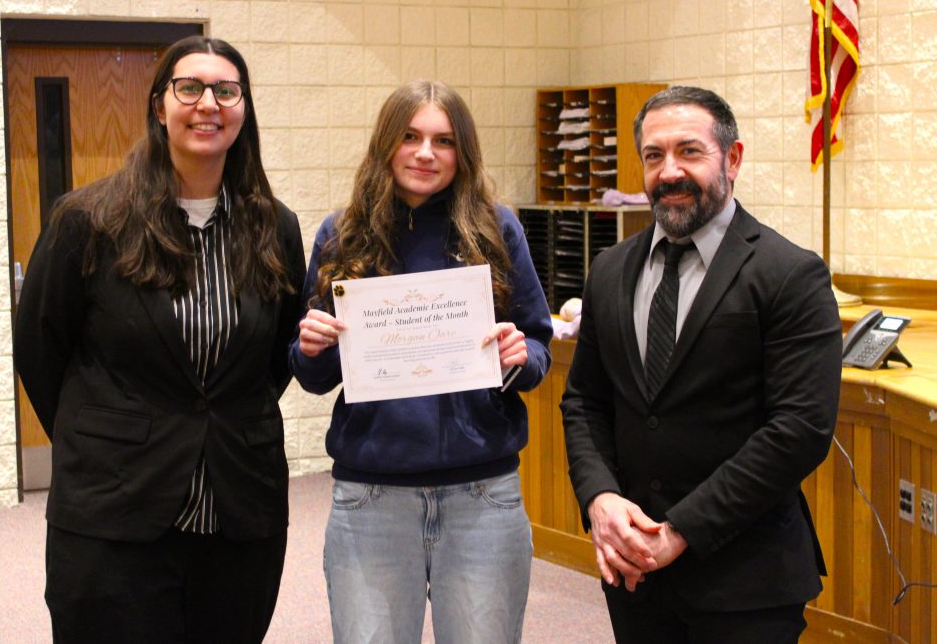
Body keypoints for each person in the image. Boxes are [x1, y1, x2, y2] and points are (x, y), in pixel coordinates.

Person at [13, 36, 305, 643]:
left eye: (226, 90)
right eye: (190, 88)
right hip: (114, 511)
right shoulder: (89, 219)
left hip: (237, 510)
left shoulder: (274, 226)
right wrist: (106, 433)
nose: (208, 104)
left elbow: (272, 361)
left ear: (244, 109)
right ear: (158, 105)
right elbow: (41, 350)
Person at [560, 86, 843, 643]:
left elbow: (799, 430)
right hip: (635, 571)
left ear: (732, 159)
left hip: (745, 581)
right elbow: (584, 401)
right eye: (653, 155)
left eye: (690, 152)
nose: (669, 172)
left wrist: (681, 530)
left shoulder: (789, 273)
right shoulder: (610, 269)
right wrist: (600, 499)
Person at [290, 80, 552, 643]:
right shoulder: (342, 234)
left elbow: (537, 345)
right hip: (371, 496)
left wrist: (519, 356)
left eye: (444, 140)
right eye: (410, 137)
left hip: (482, 494)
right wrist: (310, 347)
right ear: (386, 144)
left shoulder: (496, 228)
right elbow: (314, 375)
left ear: (464, 152)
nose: (426, 153)